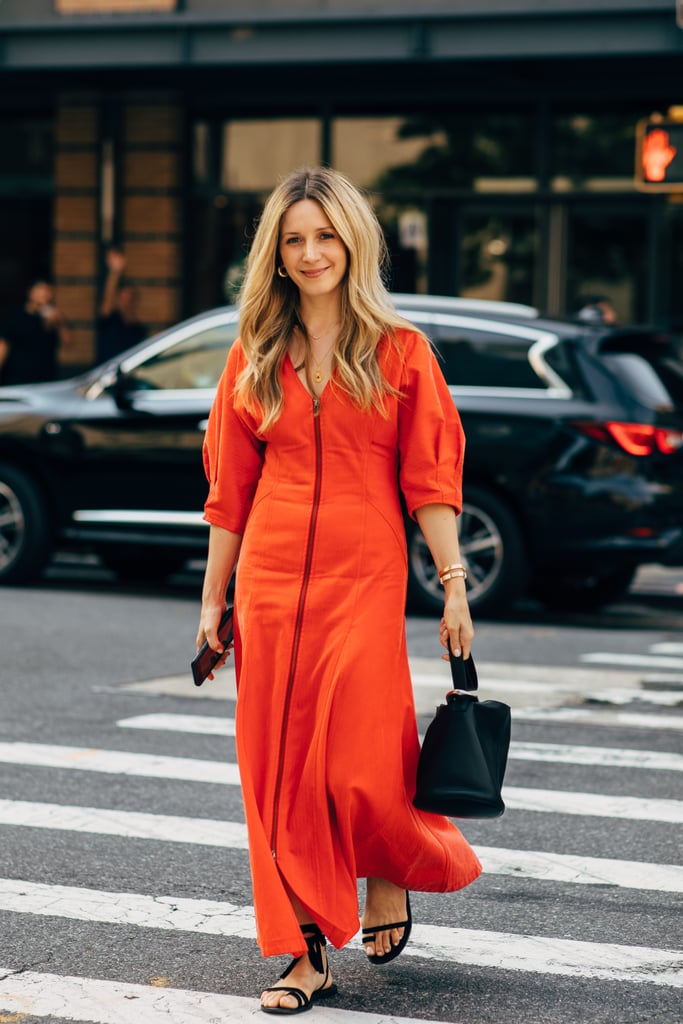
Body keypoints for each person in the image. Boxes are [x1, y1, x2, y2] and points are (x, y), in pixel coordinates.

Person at [195, 166, 481, 1015]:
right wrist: (213, 600)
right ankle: (301, 952)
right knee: (276, 773)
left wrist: (453, 583)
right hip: (273, 581)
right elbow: (228, 493)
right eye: (293, 239)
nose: (311, 252)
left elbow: (430, 476)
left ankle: (389, 867)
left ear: (352, 241)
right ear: (275, 256)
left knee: (358, 761)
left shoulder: (399, 350)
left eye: (325, 235)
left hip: (364, 577)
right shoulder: (254, 353)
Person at [0, 278, 71, 386]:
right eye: (41, 292)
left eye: (48, 292)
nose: (45, 296)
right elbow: (3, 346)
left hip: (45, 379)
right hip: (17, 378)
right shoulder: (15, 317)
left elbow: (68, 342)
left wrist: (59, 323)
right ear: (31, 293)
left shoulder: (54, 317)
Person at [95, 246, 147, 363]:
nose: (126, 302)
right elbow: (107, 299)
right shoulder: (110, 320)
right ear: (118, 299)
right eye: (123, 298)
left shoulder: (138, 329)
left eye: (130, 298)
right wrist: (115, 273)